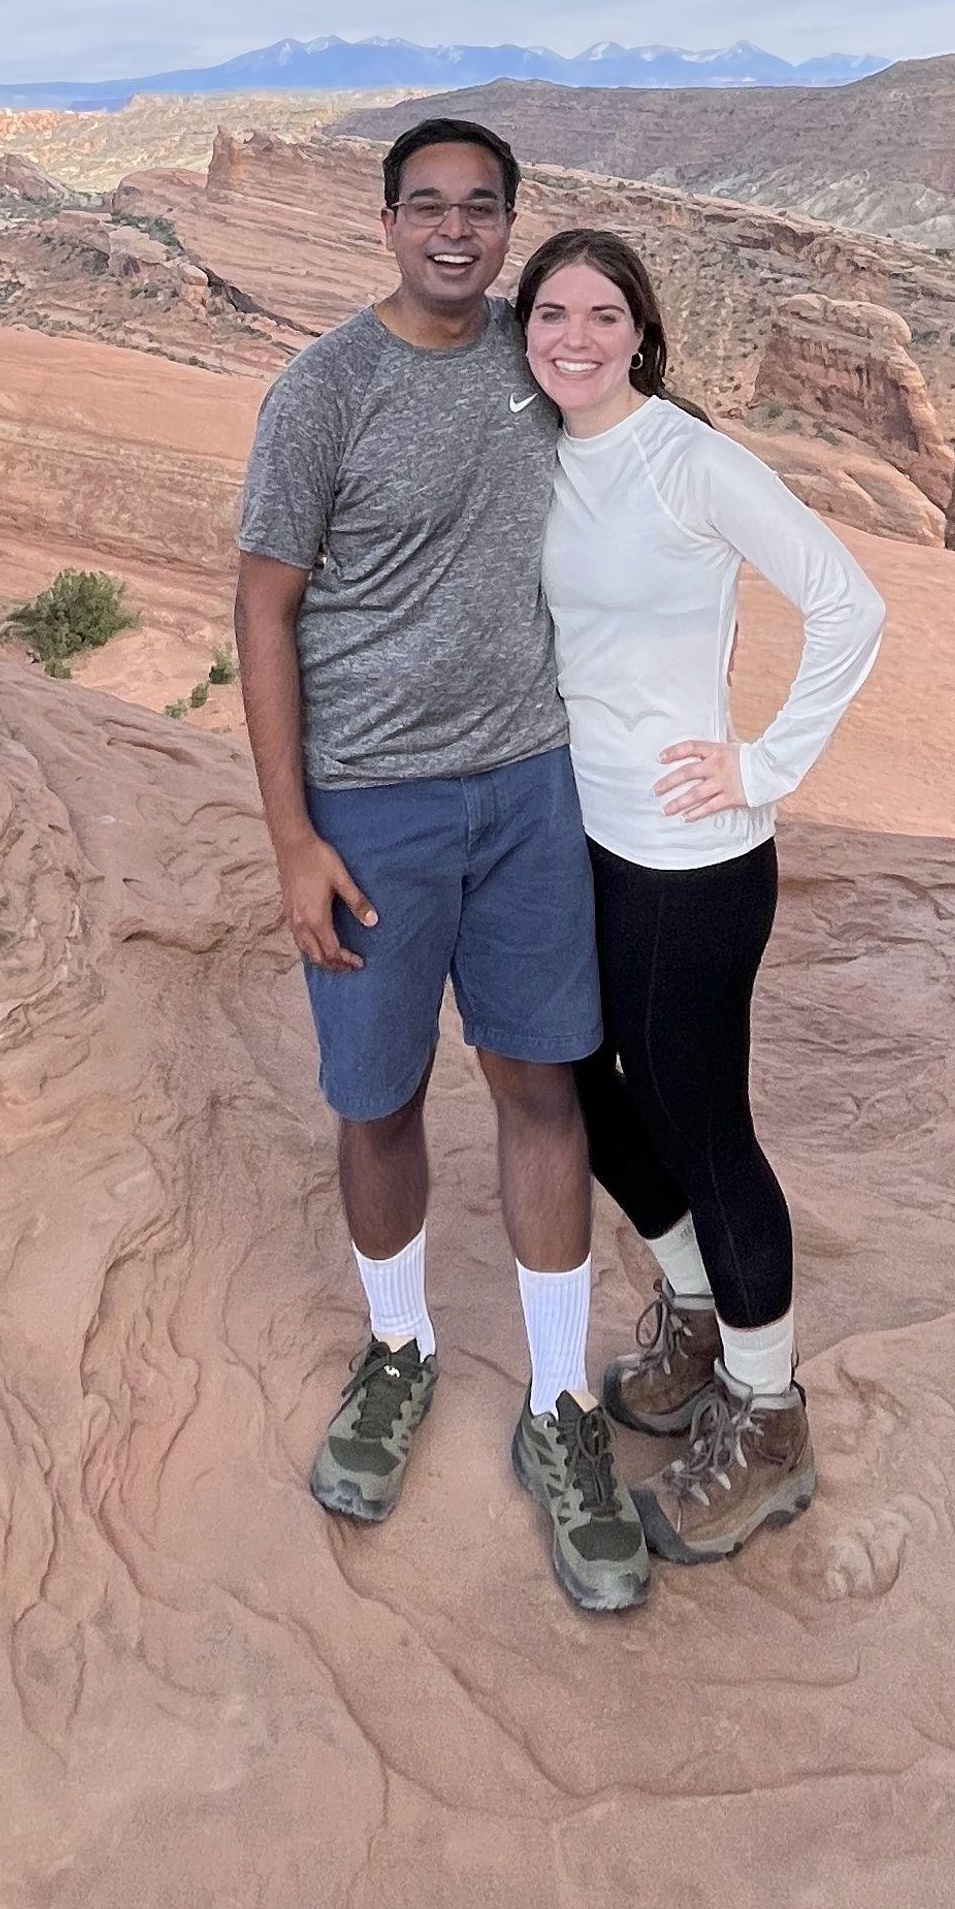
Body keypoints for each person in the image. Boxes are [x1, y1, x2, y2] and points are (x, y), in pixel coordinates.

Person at [234, 118, 651, 1618]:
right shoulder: (324, 392)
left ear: (511, 222)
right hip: (378, 807)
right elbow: (264, 609)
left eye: (484, 210)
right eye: (430, 208)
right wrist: (294, 836)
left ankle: (558, 1410)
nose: (458, 233)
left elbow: (655, 492)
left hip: (531, 790)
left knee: (544, 1085)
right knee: (381, 1096)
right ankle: (400, 1350)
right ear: (389, 222)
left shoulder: (541, 369)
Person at [514, 225, 885, 1565]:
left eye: (600, 314)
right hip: (582, 838)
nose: (574, 336)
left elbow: (851, 604)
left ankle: (770, 1412)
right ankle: (687, 1305)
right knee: (582, 1082)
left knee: (699, 1120)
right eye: (551, 313)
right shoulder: (543, 459)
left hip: (692, 858)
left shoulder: (690, 461)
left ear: (642, 331)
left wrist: (763, 761)